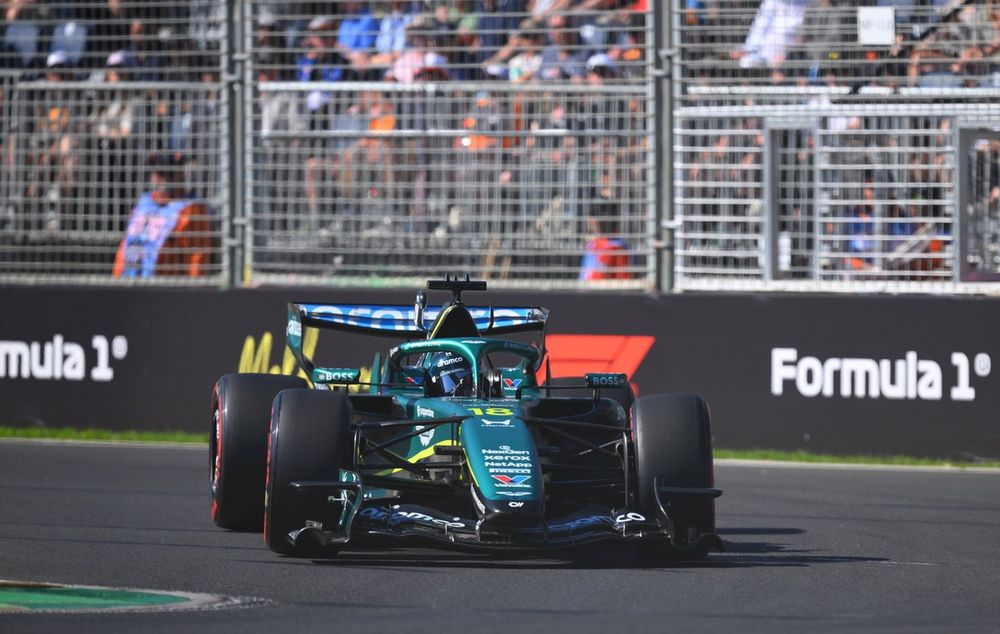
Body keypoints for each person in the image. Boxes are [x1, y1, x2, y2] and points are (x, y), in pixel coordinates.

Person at [112, 153, 213, 277]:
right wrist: (116, 279)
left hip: (167, 286)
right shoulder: (144, 203)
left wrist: (195, 290)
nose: (160, 179)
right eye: (158, 173)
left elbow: (198, 256)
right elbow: (126, 245)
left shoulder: (191, 209)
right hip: (131, 282)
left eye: (167, 174)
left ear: (180, 175)